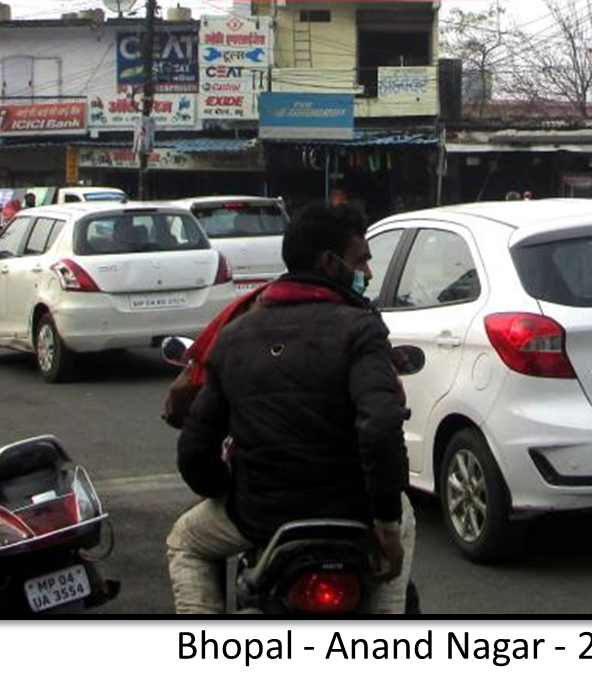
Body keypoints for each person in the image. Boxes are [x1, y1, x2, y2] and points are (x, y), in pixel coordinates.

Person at [167, 203, 413, 614]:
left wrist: (225, 490)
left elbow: (194, 451)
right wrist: (387, 526)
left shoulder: (235, 334)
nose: (368, 274)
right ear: (329, 262)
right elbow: (381, 427)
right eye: (362, 260)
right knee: (403, 523)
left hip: (259, 515)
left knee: (185, 542)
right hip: (353, 511)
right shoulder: (361, 329)